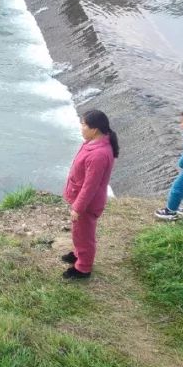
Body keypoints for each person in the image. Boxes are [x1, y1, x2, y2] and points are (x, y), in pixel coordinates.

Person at [62, 109, 119, 280]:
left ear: (94, 129)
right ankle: (79, 254)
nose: (81, 128)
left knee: (85, 234)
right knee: (79, 231)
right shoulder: (93, 142)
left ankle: (83, 268)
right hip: (81, 198)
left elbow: (90, 186)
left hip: (87, 203)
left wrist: (77, 208)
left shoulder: (99, 154)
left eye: (83, 125)